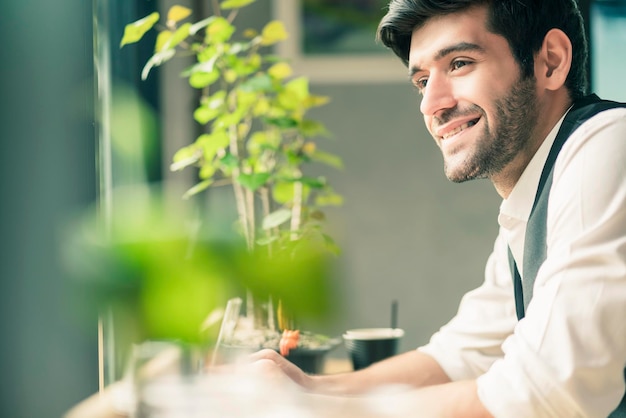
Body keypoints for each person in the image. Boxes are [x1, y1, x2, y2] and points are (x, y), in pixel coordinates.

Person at [250, 0, 626, 416]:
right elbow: (465, 353)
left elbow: (545, 390)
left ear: (550, 62)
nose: (432, 104)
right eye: (422, 81)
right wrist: (305, 387)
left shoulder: (609, 143)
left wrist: (317, 409)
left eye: (460, 63)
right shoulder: (532, 198)